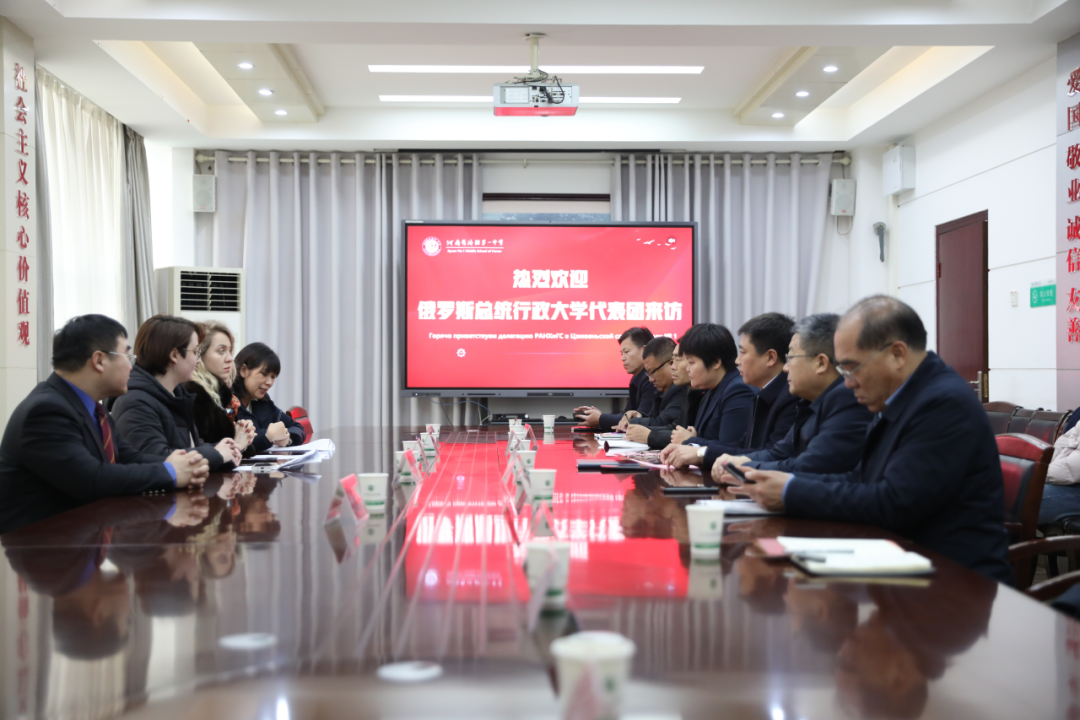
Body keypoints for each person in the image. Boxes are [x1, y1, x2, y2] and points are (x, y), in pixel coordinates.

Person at [735, 295, 1013, 584]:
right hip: (903, 563)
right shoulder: (899, 396)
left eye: (852, 367)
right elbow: (862, 477)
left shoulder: (942, 403)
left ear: (897, 355)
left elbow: (895, 503)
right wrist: (786, 483)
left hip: (955, 581)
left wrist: (791, 492)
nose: (847, 382)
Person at [0, 314, 209, 535]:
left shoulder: (94, 410)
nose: (131, 367)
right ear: (99, 361)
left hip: (83, 538)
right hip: (41, 547)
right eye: (127, 357)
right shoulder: (46, 411)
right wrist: (171, 472)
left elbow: (130, 457)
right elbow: (91, 479)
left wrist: (184, 465)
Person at [708, 313, 873, 477]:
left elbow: (811, 465)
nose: (786, 368)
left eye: (791, 358)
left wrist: (744, 467)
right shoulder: (810, 401)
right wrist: (739, 462)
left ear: (820, 363)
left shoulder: (846, 399)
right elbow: (780, 452)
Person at [111, 315, 242, 471]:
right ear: (174, 355)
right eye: (195, 352)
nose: (198, 360)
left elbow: (191, 446)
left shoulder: (177, 395)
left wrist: (226, 450)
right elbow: (157, 459)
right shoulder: (135, 402)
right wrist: (216, 454)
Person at [658, 323, 755, 469]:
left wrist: (690, 440)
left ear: (715, 362)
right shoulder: (710, 389)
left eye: (691, 362)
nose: (688, 369)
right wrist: (692, 440)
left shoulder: (738, 390)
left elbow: (731, 449)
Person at [182, 321, 256, 451]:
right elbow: (198, 451)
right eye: (221, 351)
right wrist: (237, 445)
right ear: (200, 355)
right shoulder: (193, 394)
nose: (230, 358)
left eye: (230, 351)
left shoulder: (222, 394)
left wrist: (244, 434)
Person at [574, 327, 657, 431]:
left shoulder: (652, 379)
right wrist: (600, 416)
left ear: (644, 350)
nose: (623, 358)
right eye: (622, 353)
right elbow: (627, 414)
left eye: (627, 352)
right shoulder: (637, 378)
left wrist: (600, 419)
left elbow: (640, 419)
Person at [232, 342, 306, 451]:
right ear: (244, 370)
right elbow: (232, 443)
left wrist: (288, 438)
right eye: (264, 374)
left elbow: (297, 427)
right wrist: (267, 436)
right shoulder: (228, 403)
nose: (269, 382)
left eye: (273, 376)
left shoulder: (263, 402)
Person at [616, 337, 687, 445]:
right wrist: (640, 416)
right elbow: (658, 420)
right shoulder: (663, 389)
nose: (650, 379)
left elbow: (666, 424)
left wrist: (639, 426)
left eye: (678, 360)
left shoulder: (682, 389)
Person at [645, 344, 705, 450]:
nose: (672, 367)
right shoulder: (690, 390)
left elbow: (726, 450)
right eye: (673, 361)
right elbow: (678, 427)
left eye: (678, 360)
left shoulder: (732, 391)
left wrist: (649, 435)